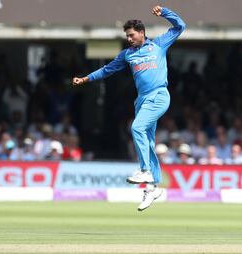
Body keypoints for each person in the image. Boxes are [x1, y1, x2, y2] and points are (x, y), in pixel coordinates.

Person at [72, 5, 186, 211]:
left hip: (159, 95)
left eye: (132, 35)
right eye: (127, 36)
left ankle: (145, 170)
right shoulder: (127, 55)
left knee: (137, 128)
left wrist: (166, 13)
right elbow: (107, 70)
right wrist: (86, 78)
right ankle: (152, 188)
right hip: (142, 100)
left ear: (142, 33)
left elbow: (180, 26)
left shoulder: (158, 45)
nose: (129, 39)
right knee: (148, 141)